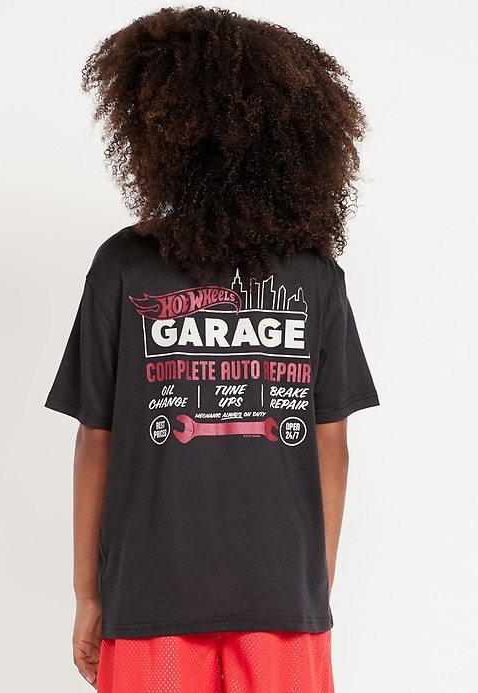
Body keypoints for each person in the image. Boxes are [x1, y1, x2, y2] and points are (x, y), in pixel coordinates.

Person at [44, 6, 379, 692]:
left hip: (150, 593)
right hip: (282, 598)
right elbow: (332, 443)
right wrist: (310, 586)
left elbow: (96, 439)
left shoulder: (123, 264)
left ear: (158, 131)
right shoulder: (314, 274)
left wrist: (88, 593)